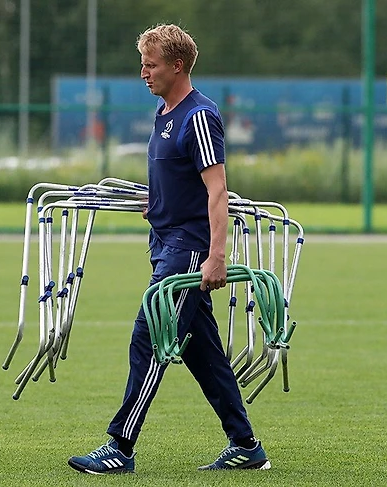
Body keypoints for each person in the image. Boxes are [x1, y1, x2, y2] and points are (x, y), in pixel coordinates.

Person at [67, 23, 270, 474]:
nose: (143, 72)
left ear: (177, 66)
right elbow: (181, 183)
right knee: (203, 352)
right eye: (143, 63)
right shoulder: (164, 114)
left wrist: (217, 256)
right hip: (165, 242)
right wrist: (155, 203)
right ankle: (246, 446)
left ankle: (120, 446)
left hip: (190, 249)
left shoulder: (199, 115)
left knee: (149, 335)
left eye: (151, 64)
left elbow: (217, 191)